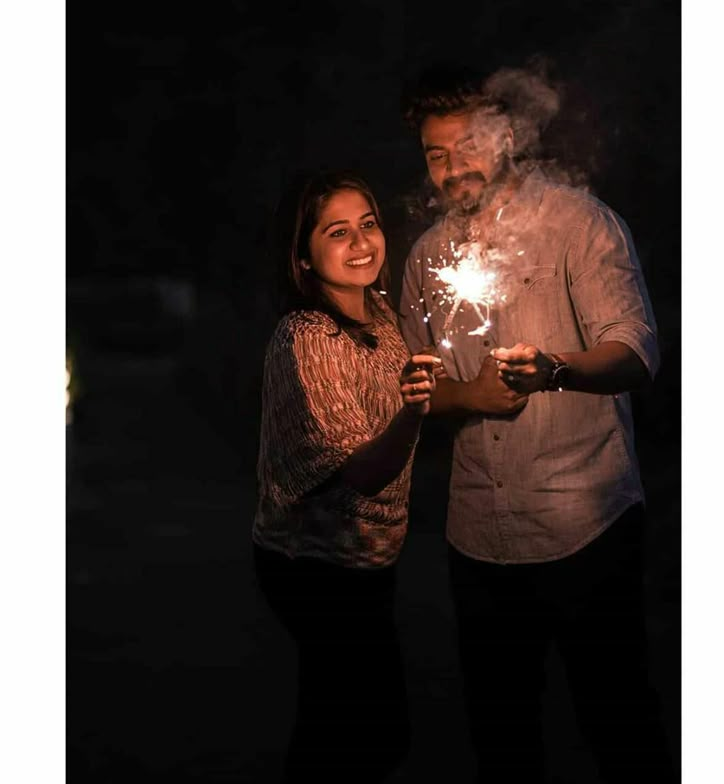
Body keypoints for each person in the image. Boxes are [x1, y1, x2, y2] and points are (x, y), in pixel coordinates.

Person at [398, 65, 675, 783]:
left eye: (467, 146)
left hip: (586, 522)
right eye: (436, 154)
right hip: (478, 535)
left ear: (509, 137)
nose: (453, 167)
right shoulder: (429, 255)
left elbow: (636, 350)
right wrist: (472, 397)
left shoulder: (579, 223)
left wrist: (555, 367)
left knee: (618, 722)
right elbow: (413, 389)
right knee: (502, 734)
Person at [252, 171, 440, 784]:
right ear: (303, 255)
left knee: (363, 731)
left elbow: (409, 389)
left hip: (367, 562)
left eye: (368, 223)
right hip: (315, 566)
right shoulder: (308, 335)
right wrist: (414, 413)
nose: (362, 242)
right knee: (354, 736)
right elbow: (362, 471)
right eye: (338, 231)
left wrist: (484, 389)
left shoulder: (380, 312)